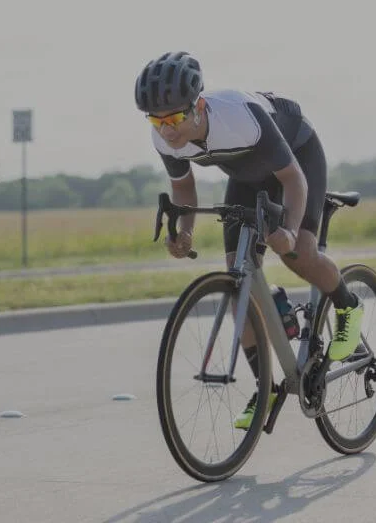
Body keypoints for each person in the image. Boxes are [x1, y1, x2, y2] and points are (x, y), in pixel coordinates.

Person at [134, 51, 363, 430]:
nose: (167, 130)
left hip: (297, 158)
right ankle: (267, 386)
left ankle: (348, 305)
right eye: (156, 121)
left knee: (298, 255)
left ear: (199, 106)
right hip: (246, 174)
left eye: (174, 118)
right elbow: (184, 189)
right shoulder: (165, 139)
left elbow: (293, 180)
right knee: (237, 276)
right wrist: (186, 232)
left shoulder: (238, 118)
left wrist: (289, 232)